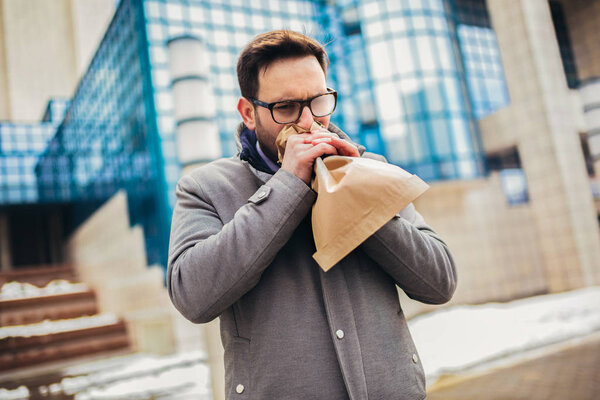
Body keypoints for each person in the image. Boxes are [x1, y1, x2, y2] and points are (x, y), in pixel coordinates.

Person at [167, 30, 457, 400]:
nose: (308, 122)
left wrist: (357, 193)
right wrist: (287, 187)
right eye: (286, 108)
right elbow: (192, 296)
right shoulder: (205, 187)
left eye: (319, 101)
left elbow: (439, 282)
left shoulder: (370, 168)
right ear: (248, 113)